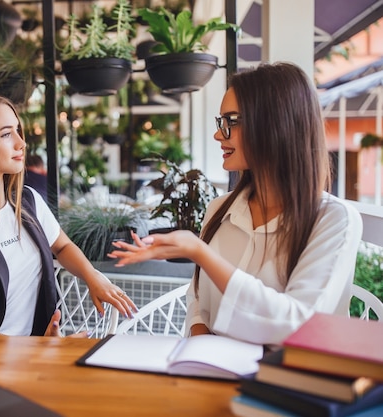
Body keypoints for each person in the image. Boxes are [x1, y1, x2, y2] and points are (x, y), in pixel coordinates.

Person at [109, 62, 363, 347]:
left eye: (231, 121)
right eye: (221, 122)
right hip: (211, 373)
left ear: (275, 124)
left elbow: (297, 324)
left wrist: (199, 252)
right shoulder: (220, 210)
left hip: (285, 385)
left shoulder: (334, 220)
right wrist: (203, 344)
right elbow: (197, 296)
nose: (219, 134)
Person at [0, 92, 136, 337]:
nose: (22, 143)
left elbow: (61, 246)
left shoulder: (27, 202)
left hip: (37, 358)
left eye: (18, 130)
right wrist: (40, 351)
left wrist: (93, 277)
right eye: (6, 134)